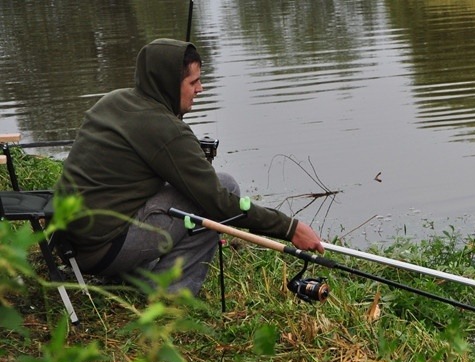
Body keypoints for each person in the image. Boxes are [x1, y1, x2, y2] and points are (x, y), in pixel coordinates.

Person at [55, 38, 323, 295]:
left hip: (68, 241)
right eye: (193, 81)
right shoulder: (165, 130)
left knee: (190, 189)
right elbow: (220, 202)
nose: (201, 88)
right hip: (101, 250)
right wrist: (290, 228)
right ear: (171, 84)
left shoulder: (115, 101)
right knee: (224, 188)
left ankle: (135, 274)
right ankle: (170, 291)